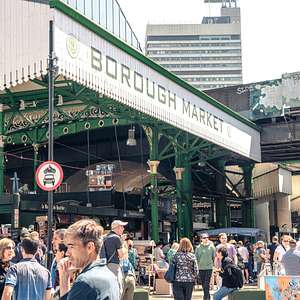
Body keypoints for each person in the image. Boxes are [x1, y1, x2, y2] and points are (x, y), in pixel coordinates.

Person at [58, 219, 119, 300]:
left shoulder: (85, 281)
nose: (67, 253)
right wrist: (64, 279)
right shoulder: (110, 275)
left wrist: (64, 280)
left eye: (71, 246)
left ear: (90, 247)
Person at [101, 219, 127, 296]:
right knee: (118, 287)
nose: (123, 229)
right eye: (122, 227)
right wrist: (124, 246)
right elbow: (121, 255)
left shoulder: (105, 237)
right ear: (117, 228)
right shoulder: (116, 238)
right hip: (114, 265)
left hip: (105, 265)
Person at [195, 233, 215, 300]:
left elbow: (213, 257)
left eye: (207, 237)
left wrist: (213, 266)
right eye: (204, 238)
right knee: (203, 284)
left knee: (206, 283)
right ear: (201, 239)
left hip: (209, 268)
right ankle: (206, 296)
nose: (206, 239)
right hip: (201, 268)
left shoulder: (212, 247)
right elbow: (196, 258)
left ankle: (207, 297)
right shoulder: (198, 248)